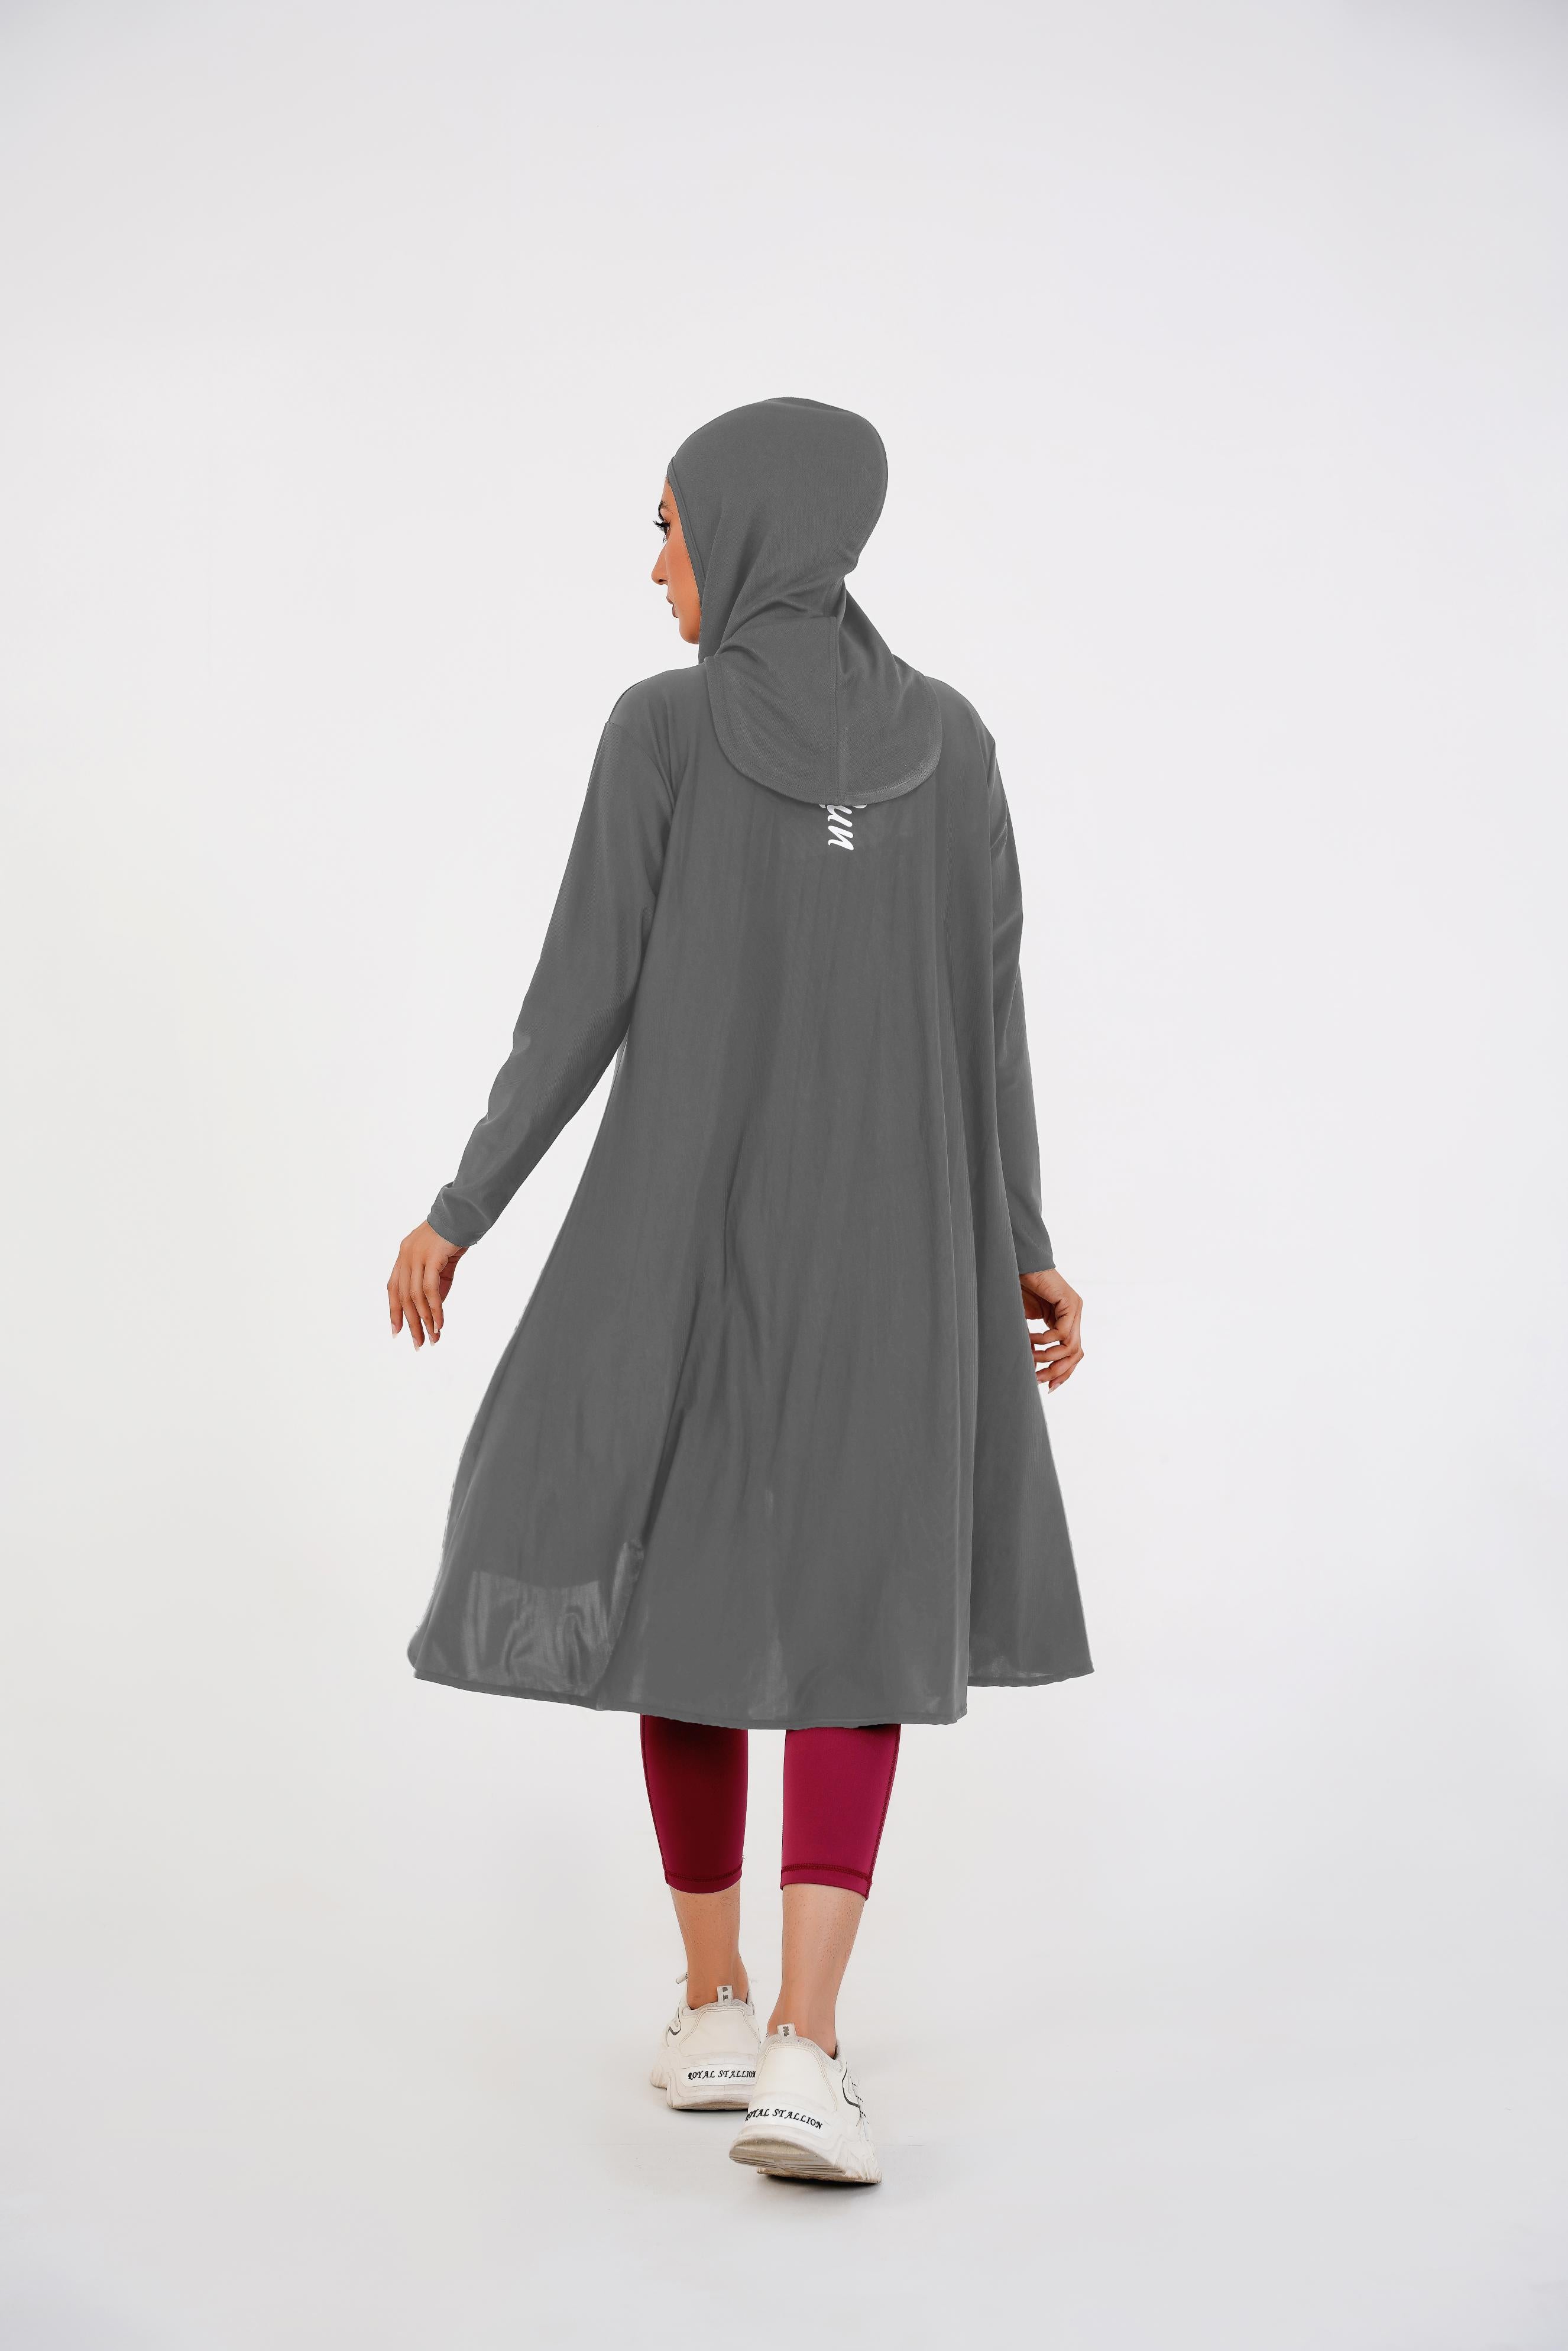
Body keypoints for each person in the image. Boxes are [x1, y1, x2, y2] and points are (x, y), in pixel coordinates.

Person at [387, 398, 1090, 2186]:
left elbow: (579, 995)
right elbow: (991, 1020)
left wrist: (464, 1206)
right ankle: (791, 2044)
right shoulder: (951, 741)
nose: (655, 567)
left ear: (752, 527)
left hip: (680, 1241)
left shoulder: (669, 731)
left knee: (687, 1581)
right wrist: (1018, 1237)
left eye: (669, 526)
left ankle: (728, 2010)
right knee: (857, 1604)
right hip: (898, 1252)